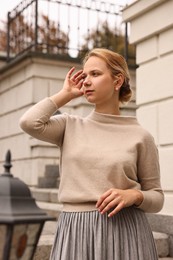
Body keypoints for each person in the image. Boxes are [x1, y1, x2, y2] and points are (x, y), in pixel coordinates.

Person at [19, 48, 164, 260]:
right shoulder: (69, 125)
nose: (86, 81)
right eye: (84, 75)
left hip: (125, 233)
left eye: (95, 74)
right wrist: (65, 94)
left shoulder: (141, 136)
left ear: (117, 81)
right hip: (75, 232)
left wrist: (135, 195)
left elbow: (157, 197)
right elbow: (29, 123)